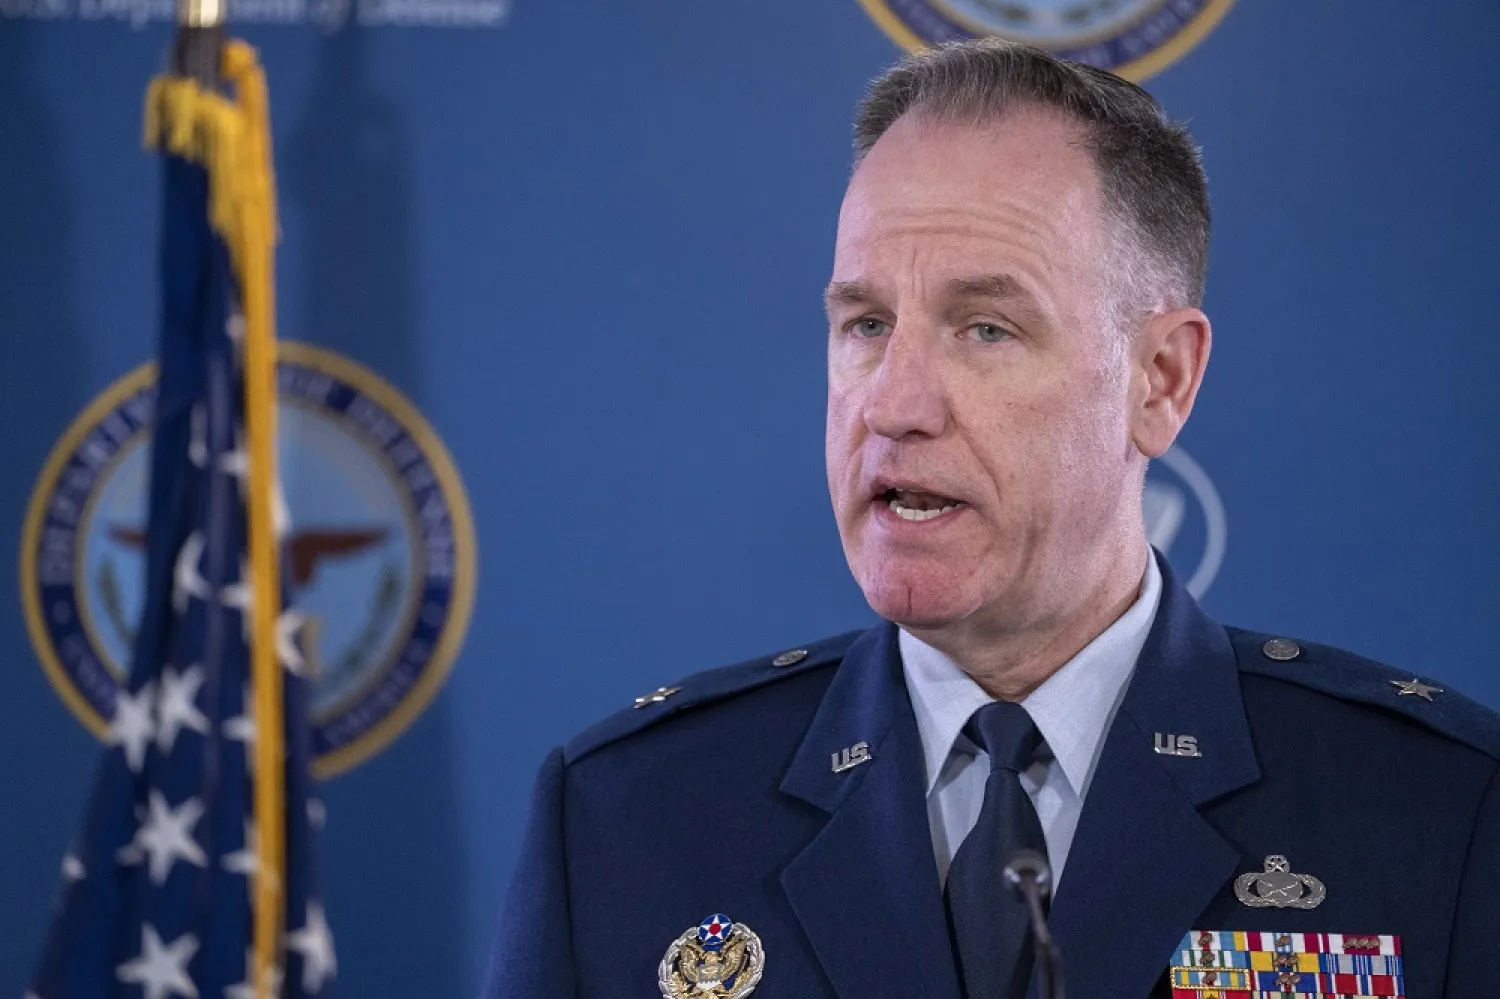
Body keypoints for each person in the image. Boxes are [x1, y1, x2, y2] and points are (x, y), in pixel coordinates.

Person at [481, 38, 1499, 999]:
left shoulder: (1435, 814)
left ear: (1161, 380)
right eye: (866, 324)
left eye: (986, 328)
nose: (894, 402)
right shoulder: (627, 818)